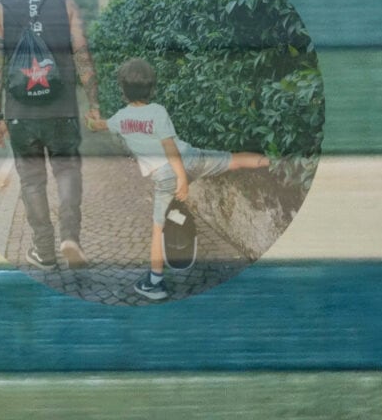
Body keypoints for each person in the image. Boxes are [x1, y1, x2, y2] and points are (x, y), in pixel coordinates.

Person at [106, 58, 271, 300]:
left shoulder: (120, 118)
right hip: (191, 159)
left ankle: (155, 283)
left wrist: (181, 180)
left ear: (122, 89)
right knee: (233, 160)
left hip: (167, 175)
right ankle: (275, 163)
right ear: (152, 88)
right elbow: (171, 145)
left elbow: (166, 147)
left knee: (158, 229)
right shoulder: (158, 111)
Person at [0, 0, 100, 270]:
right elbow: (82, 56)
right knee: (67, 171)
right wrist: (94, 104)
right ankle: (70, 238)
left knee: (32, 181)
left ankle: (45, 251)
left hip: (20, 114)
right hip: (62, 110)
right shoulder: (66, 4)